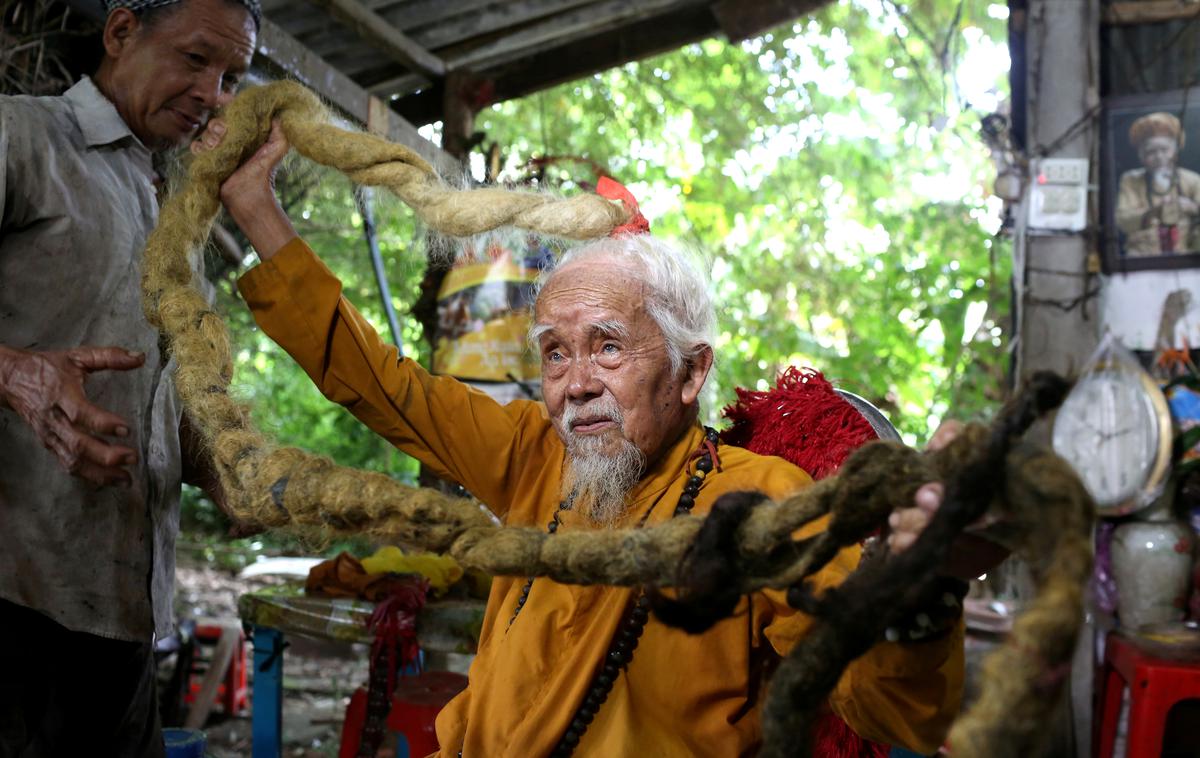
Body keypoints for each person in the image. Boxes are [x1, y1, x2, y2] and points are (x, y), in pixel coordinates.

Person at [200, 120, 988, 756]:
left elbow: (886, 707)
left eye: (607, 346)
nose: (575, 382)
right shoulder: (534, 456)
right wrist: (254, 207)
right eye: (554, 353)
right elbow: (383, 386)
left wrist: (917, 594)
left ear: (689, 372)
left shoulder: (759, 503)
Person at [0, 1, 258, 755]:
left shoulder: (169, 207)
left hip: (123, 614)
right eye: (195, 59)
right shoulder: (22, 136)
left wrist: (223, 471)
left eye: (231, 76)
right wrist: (17, 374)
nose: (213, 93)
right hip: (13, 601)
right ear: (120, 33)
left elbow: (159, 392)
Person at [1115, 111, 1200, 256]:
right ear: (1141, 155)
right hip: (1143, 258)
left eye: (1164, 150)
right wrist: (1153, 212)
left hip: (1186, 257)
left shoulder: (1192, 179)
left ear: (1175, 151)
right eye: (1151, 152)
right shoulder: (1131, 180)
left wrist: (1193, 207)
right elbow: (1122, 221)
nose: (1159, 157)